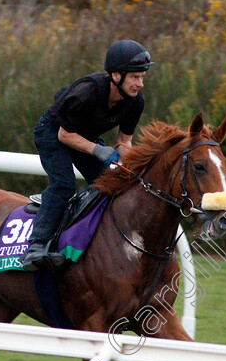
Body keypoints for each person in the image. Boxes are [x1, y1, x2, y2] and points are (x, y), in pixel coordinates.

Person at [21, 39, 155, 271]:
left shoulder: (135, 102)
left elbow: (124, 141)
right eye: (135, 77)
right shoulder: (87, 93)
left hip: (85, 137)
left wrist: (130, 163)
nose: (140, 84)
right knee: (64, 185)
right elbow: (65, 136)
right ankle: (36, 246)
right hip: (53, 133)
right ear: (115, 76)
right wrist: (98, 150)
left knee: (111, 184)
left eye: (142, 77)